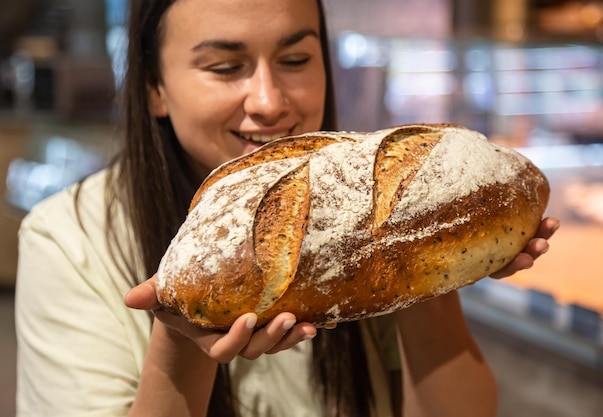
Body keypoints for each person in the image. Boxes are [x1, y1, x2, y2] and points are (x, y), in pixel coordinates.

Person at [14, 0, 560, 416]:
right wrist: (180, 344)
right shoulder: (68, 239)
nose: (269, 101)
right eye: (226, 67)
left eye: (296, 58)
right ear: (155, 85)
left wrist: (425, 267)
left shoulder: (356, 214)